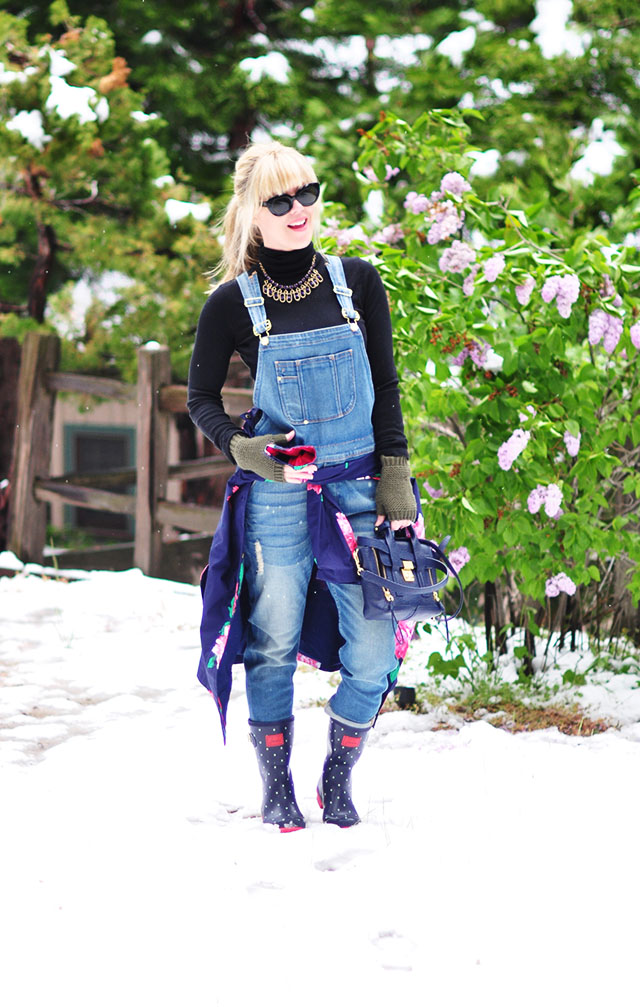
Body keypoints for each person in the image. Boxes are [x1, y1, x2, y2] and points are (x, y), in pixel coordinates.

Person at [188, 141, 418, 831]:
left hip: (359, 489)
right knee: (273, 635)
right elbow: (201, 399)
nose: (298, 211)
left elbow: (385, 385)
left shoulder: (358, 283)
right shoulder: (233, 303)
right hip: (281, 494)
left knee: (376, 647)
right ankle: (276, 782)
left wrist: (397, 472)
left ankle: (338, 771)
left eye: (307, 193)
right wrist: (244, 449)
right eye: (279, 200)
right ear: (253, 214)